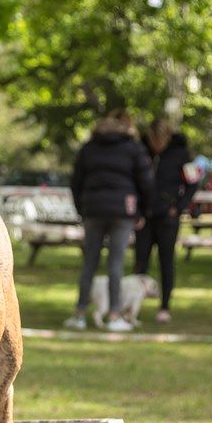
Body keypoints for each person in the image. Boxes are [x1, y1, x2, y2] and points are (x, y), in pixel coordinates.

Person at [65, 109, 154, 332]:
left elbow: (76, 181)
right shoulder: (133, 148)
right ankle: (114, 315)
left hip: (93, 210)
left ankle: (80, 313)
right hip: (122, 212)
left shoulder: (89, 148)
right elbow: (146, 182)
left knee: (89, 264)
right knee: (116, 264)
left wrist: (82, 208)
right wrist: (142, 211)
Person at [134, 117, 199, 323]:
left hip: (167, 216)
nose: (158, 145)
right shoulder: (141, 152)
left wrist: (178, 207)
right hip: (145, 215)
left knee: (166, 261)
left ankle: (164, 306)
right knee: (140, 261)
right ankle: (133, 305)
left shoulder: (181, 154)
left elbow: (193, 183)